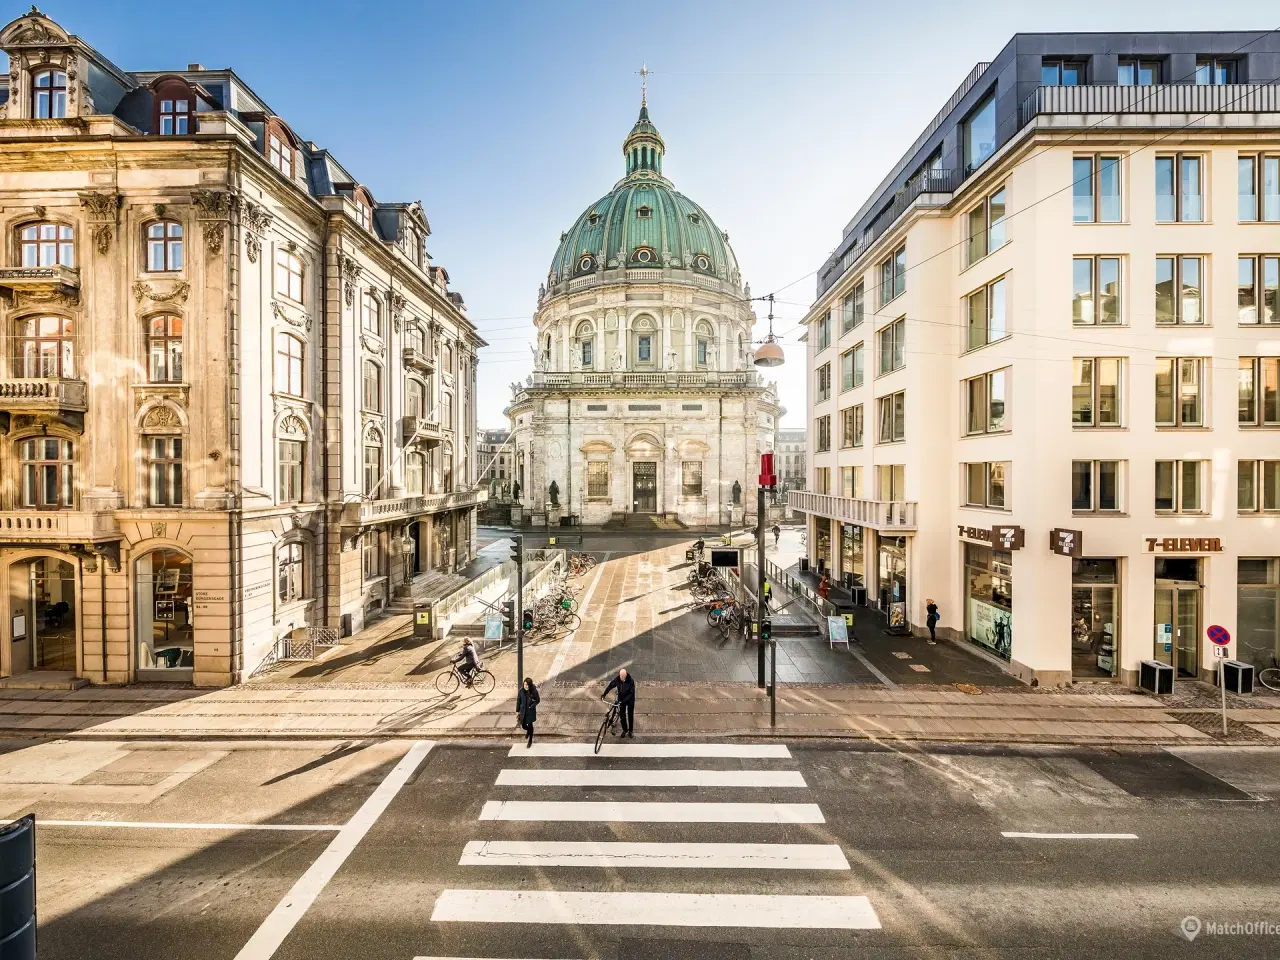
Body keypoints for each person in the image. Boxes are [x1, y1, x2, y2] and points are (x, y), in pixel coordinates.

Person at [602, 667, 637, 738]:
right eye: (621, 676)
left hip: (629, 699)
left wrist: (623, 702)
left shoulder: (631, 681)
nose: (621, 678)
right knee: (622, 716)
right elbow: (610, 686)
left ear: (626, 675)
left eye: (623, 677)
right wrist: (604, 694)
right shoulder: (617, 679)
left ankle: (630, 731)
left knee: (630, 715)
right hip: (622, 698)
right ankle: (625, 730)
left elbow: (631, 693)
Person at [516, 677, 540, 748]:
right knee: (523, 725)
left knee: (530, 725)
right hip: (523, 711)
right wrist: (517, 711)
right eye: (524, 684)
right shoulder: (521, 691)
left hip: (530, 711)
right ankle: (529, 731)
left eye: (527, 685)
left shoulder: (534, 691)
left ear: (530, 685)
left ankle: (530, 740)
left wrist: (532, 706)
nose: (525, 686)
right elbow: (518, 701)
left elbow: (537, 700)